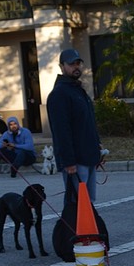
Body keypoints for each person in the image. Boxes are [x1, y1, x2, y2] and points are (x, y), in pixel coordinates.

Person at [46, 48, 102, 203]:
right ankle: (73, 228)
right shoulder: (59, 94)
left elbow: (88, 122)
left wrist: (97, 148)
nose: (76, 67)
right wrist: (68, 162)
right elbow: (61, 131)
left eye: (78, 63)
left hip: (89, 156)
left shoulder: (79, 91)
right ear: (62, 66)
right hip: (76, 161)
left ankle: (87, 228)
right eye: (71, 64)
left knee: (88, 202)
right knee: (76, 203)